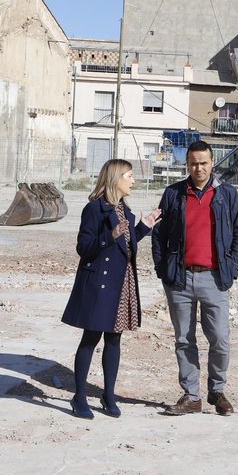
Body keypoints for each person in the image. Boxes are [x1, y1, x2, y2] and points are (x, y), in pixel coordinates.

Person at [151, 141, 238, 416]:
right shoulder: (173, 194)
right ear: (187, 165)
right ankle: (191, 396)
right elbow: (158, 235)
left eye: (204, 163)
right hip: (179, 280)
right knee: (184, 339)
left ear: (212, 163)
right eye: (194, 163)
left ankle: (217, 391)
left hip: (215, 279)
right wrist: (163, 270)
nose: (199, 168)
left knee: (220, 339)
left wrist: (233, 269)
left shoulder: (226, 194)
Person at [61, 159, 161, 419]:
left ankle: (108, 394)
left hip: (122, 281)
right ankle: (79, 396)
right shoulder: (94, 209)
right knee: (91, 339)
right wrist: (109, 235)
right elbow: (84, 247)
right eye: (129, 176)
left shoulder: (125, 211)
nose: (133, 181)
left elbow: (125, 243)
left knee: (114, 339)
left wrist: (143, 228)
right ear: (115, 178)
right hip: (99, 284)